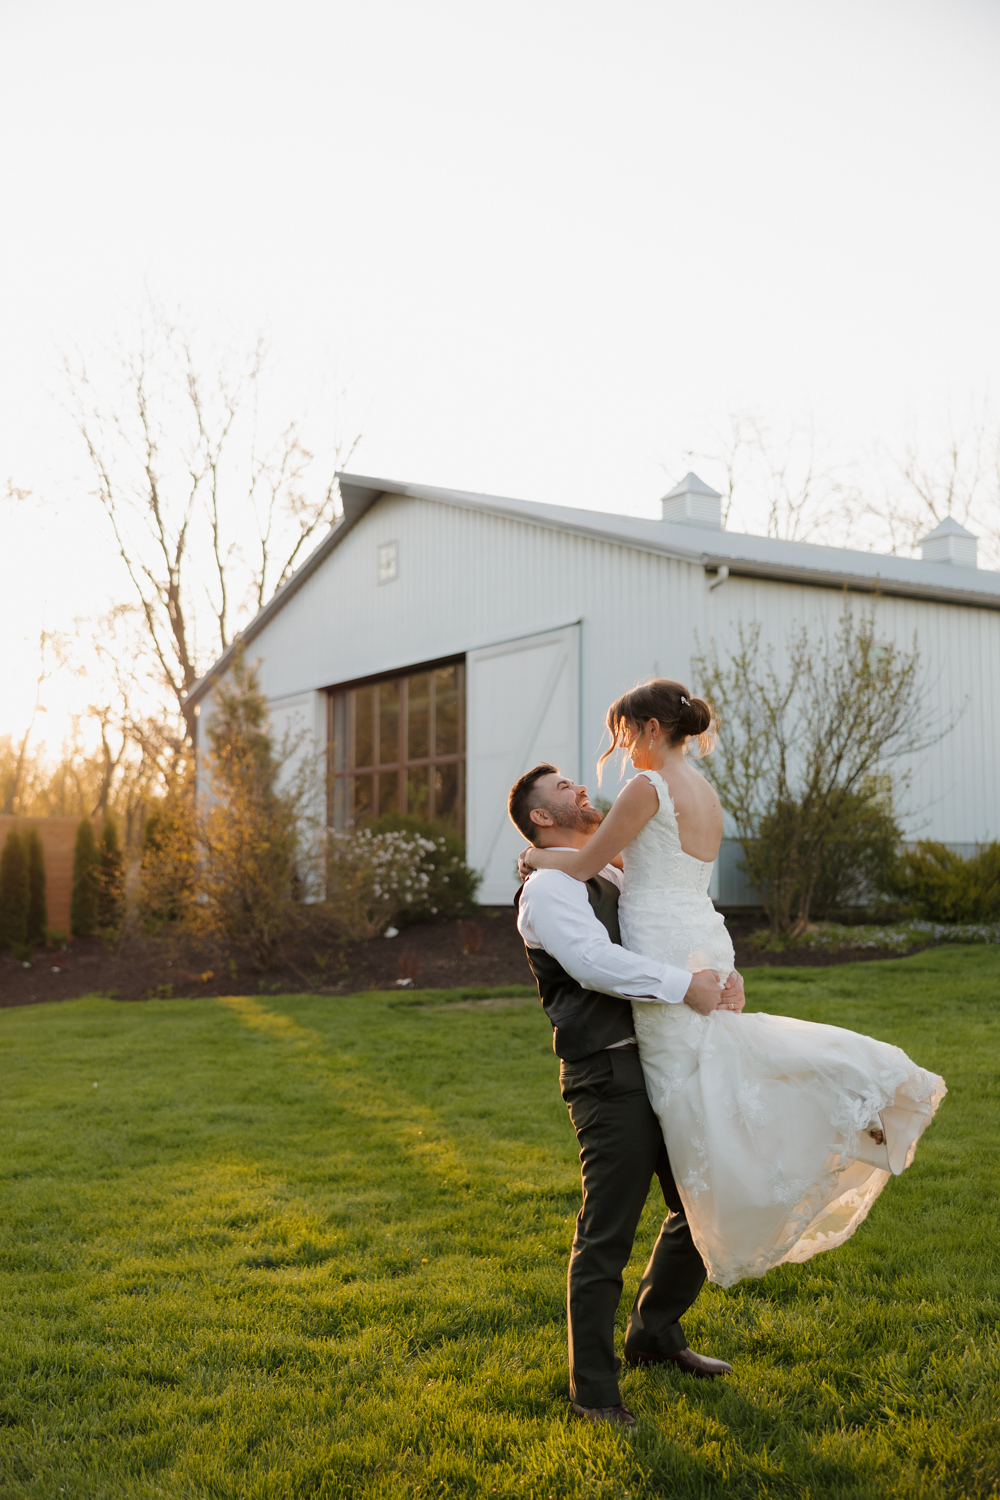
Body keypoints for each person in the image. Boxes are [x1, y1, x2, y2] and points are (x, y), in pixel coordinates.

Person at [521, 678, 946, 1297]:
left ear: (648, 730)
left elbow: (587, 865)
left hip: (667, 946)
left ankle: (808, 1132)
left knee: (702, 1098)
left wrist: (534, 859)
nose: (620, 751)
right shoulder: (705, 791)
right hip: (701, 935)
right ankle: (835, 1111)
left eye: (622, 735)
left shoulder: (647, 786)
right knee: (723, 1072)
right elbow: (662, 875)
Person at [509, 762, 746, 1429]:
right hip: (608, 1078)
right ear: (540, 819)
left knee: (704, 1202)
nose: (579, 789)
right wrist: (681, 985)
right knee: (605, 1235)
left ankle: (654, 1331)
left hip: (667, 1063)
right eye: (561, 790)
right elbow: (594, 963)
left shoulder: (606, 873)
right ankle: (594, 1393)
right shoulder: (550, 889)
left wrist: (721, 978)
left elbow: (674, 927)